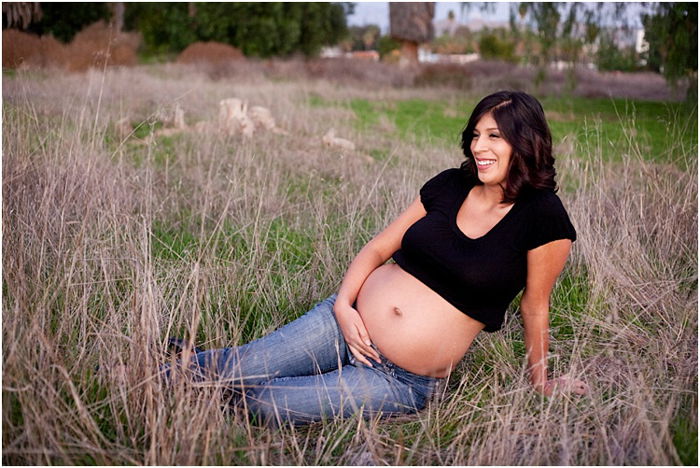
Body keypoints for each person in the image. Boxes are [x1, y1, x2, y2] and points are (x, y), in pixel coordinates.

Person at [165, 90, 588, 426]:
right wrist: (344, 306)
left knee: (264, 406)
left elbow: (535, 307)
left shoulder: (543, 217)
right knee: (239, 366)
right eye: (476, 134)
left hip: (399, 378)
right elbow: (379, 247)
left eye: (494, 136)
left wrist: (542, 380)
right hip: (346, 322)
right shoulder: (450, 185)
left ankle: (195, 372)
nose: (480, 145)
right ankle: (162, 373)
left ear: (525, 141)